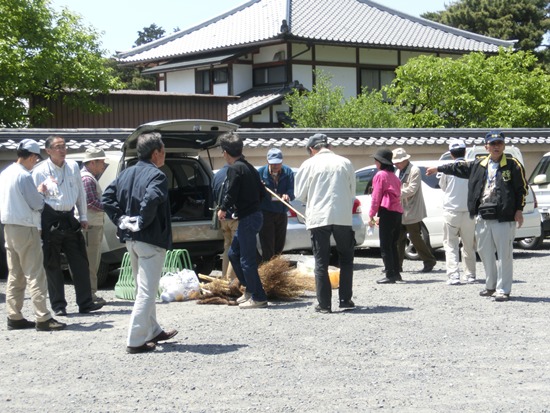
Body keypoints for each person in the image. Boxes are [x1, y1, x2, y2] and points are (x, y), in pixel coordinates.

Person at [426, 131, 528, 302]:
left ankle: (503, 289)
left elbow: (521, 189)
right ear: (486, 146)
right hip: (482, 215)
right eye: (493, 143)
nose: (496, 146)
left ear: (503, 145)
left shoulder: (513, 164)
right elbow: (458, 167)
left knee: (504, 254)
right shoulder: (479, 164)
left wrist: (519, 210)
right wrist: (439, 168)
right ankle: (490, 286)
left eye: (499, 143)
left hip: (504, 215)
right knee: (485, 253)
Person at [103, 132, 178, 353]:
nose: (164, 155)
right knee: (147, 291)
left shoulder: (126, 173)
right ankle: (135, 340)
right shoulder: (158, 176)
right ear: (156, 153)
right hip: (151, 239)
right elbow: (152, 198)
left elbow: (107, 197)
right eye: (163, 151)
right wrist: (143, 220)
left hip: (132, 240)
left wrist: (122, 219)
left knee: (143, 288)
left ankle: (152, 330)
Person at [32, 136, 103, 316]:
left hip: (70, 216)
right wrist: (38, 225)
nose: (62, 150)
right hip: (49, 217)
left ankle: (85, 302)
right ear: (48, 151)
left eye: (64, 146)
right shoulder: (39, 170)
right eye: (57, 147)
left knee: (80, 261)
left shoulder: (72, 166)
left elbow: (80, 193)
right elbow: (34, 199)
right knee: (52, 264)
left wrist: (83, 215)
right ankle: (59, 306)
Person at [0, 140, 66, 332]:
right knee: (35, 273)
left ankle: (14, 315)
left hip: (9, 227)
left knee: (15, 273)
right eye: (36, 158)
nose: (35, 162)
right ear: (31, 156)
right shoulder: (24, 176)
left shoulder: (5, 174)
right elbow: (37, 204)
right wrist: (41, 191)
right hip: (26, 227)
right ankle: (43, 317)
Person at [295, 133, 356, 313]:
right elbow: (352, 190)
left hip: (318, 217)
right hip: (342, 216)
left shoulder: (308, 164)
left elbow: (299, 194)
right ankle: (345, 300)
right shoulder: (345, 162)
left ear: (312, 149)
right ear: (328, 146)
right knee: (346, 258)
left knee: (321, 261)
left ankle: (324, 304)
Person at [216, 131, 268, 309]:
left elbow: (231, 192)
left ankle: (258, 296)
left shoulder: (234, 168)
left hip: (248, 218)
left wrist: (223, 209)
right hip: (253, 216)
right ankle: (250, 290)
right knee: (233, 254)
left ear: (225, 152)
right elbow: (262, 193)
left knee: (247, 259)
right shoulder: (249, 167)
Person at [392, 148, 437, 273]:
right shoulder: (397, 171)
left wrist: (394, 194)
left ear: (406, 160)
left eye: (398, 161)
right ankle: (397, 265)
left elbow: (412, 189)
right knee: (399, 238)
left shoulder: (414, 170)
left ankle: (429, 260)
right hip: (400, 208)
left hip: (412, 208)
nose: (396, 164)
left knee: (414, 237)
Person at [438, 139, 476, 285]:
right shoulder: (471, 167)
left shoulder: (448, 169)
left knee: (450, 244)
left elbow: (443, 187)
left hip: (451, 211)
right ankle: (470, 274)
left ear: (451, 154)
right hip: (468, 211)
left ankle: (454, 275)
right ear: (465, 152)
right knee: (468, 244)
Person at [368, 149, 404, 284]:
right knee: (393, 244)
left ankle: (389, 274)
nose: (375, 163)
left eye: (376, 160)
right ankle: (396, 273)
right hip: (397, 212)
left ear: (380, 162)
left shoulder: (380, 175)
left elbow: (376, 197)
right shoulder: (394, 176)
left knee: (385, 245)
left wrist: (371, 214)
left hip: (386, 210)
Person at [80, 147, 109, 305]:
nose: (103, 166)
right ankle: (90, 295)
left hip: (90, 225)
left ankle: (89, 293)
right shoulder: (88, 179)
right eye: (101, 162)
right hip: (91, 227)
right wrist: (109, 206)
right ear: (92, 162)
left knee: (91, 261)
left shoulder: (86, 177)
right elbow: (91, 202)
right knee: (91, 262)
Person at [257, 148, 295, 262]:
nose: (276, 166)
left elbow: (291, 191)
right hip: (266, 212)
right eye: (273, 163)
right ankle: (267, 269)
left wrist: (287, 195)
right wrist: (261, 188)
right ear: (268, 161)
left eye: (278, 163)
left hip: (281, 211)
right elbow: (255, 194)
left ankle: (276, 268)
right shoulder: (260, 173)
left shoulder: (288, 172)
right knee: (268, 244)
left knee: (279, 244)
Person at [212, 164, 237, 281]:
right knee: (235, 248)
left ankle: (224, 278)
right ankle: (230, 281)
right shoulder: (236, 173)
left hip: (222, 218)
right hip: (234, 217)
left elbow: (213, 194)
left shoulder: (217, 175)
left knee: (227, 248)